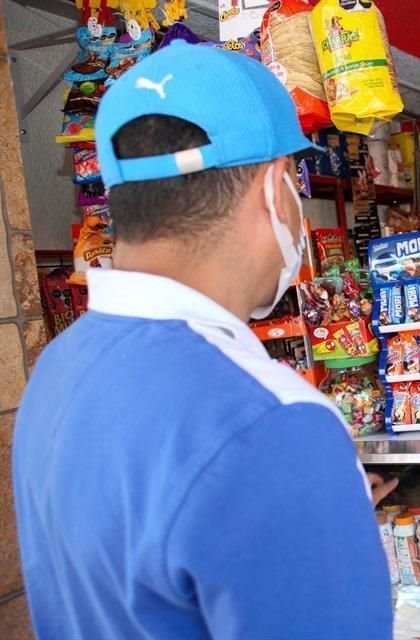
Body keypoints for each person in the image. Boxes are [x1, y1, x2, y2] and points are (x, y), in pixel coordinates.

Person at [13, 42, 394, 639]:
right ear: (274, 188)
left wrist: (300, 523)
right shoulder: (274, 422)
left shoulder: (57, 369)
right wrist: (308, 501)